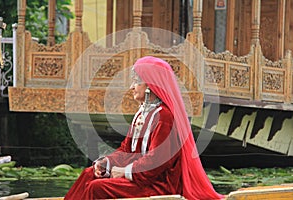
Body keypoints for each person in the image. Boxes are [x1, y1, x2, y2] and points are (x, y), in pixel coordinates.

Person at [64, 56, 224, 200]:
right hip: (141, 178)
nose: (132, 87)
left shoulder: (165, 117)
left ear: (151, 86)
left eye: (137, 82)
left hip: (158, 183)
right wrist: (107, 162)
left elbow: (157, 162)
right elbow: (127, 149)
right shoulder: (143, 113)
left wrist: (125, 172)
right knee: (89, 174)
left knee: (97, 187)